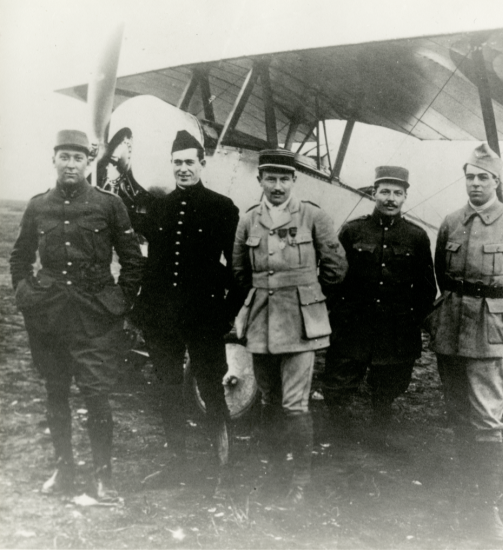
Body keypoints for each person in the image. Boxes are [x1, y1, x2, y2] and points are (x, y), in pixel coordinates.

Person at [9, 129, 145, 499]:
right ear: (53, 159)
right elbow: (20, 256)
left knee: (96, 394)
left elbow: (133, 259)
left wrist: (120, 302)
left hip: (95, 316)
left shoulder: (109, 204)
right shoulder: (39, 205)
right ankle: (63, 471)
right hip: (49, 316)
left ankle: (104, 478)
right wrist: (25, 294)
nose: (71, 164)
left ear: (89, 162)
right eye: (64, 157)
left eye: (78, 158)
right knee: (56, 392)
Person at [425, 143, 503, 541]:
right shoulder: (451, 222)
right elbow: (443, 271)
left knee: (487, 419)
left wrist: (500, 315)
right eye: (470, 177)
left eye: (483, 178)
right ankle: (466, 491)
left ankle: (487, 509)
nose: (475, 184)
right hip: (451, 327)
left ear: (496, 181)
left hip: (488, 333)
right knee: (457, 412)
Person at [229, 149, 346, 507]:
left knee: (295, 405)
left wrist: (306, 295)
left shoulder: (312, 216)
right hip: (262, 323)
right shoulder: (249, 220)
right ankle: (276, 470)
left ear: (294, 181)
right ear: (260, 180)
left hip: (299, 326)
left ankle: (300, 481)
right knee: (269, 400)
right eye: (270, 178)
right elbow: (239, 271)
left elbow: (336, 267)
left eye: (284, 179)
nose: (277, 186)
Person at [126, 130, 240, 475]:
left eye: (190, 162)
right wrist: (141, 310)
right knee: (168, 388)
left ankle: (220, 463)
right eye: (177, 162)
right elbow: (154, 262)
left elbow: (236, 269)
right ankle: (177, 462)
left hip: (204, 315)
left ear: (203, 164)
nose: (184, 169)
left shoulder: (222, 207)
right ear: (171, 165)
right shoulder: (160, 207)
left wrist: (226, 313)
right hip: (162, 315)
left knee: (210, 385)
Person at [322, 166, 435, 449]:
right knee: (338, 384)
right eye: (385, 191)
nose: (390, 198)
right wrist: (337, 316)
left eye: (398, 193)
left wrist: (412, 321)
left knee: (389, 385)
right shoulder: (352, 230)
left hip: (394, 328)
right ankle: (338, 436)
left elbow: (426, 288)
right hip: (353, 324)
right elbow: (332, 277)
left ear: (405, 197)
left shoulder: (416, 237)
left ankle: (379, 433)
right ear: (374, 193)